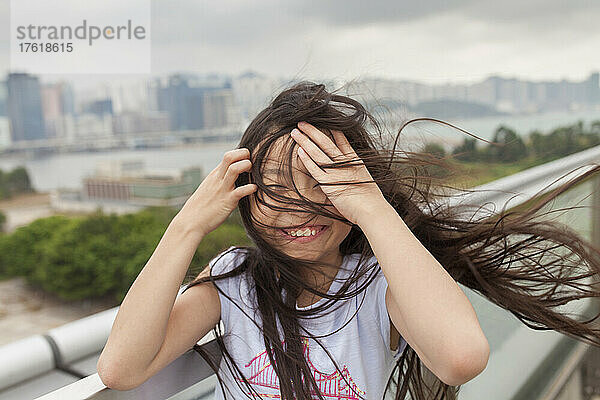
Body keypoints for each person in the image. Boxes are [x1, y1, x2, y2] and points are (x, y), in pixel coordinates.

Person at [97, 81, 600, 400]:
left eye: (325, 186)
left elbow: (460, 358)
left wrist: (371, 206)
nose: (300, 211)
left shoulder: (378, 284)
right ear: (244, 196)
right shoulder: (235, 282)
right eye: (275, 191)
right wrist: (186, 225)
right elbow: (121, 369)